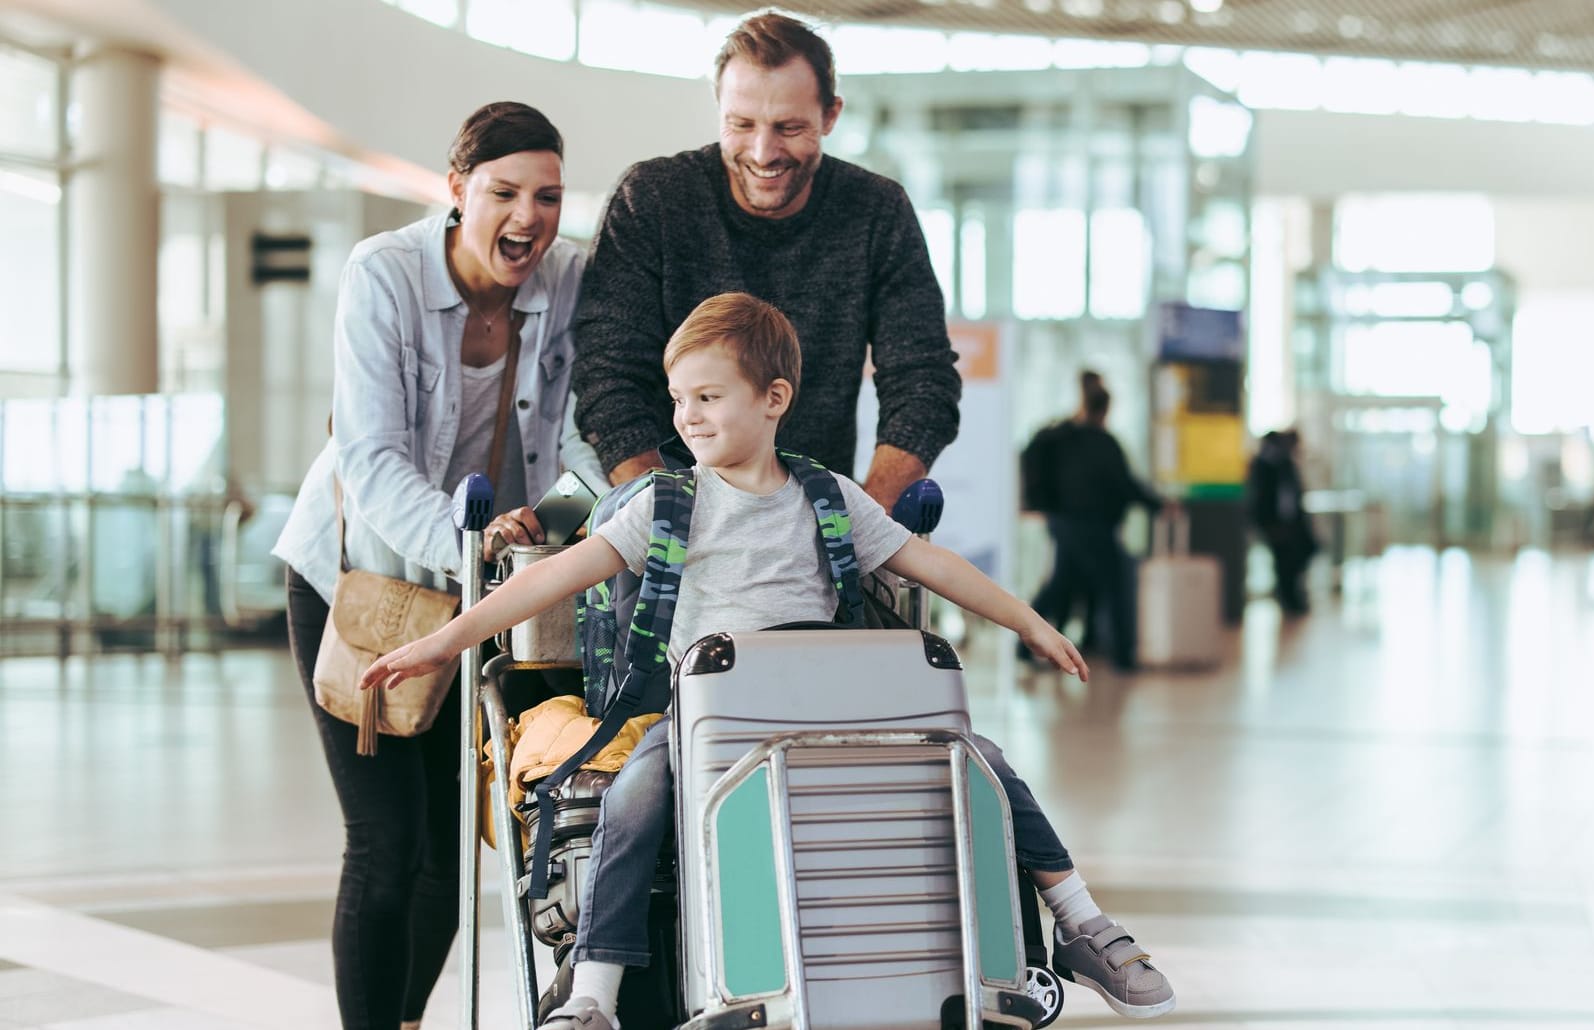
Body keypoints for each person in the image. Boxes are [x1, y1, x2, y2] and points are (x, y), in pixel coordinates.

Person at [363, 294, 1178, 1025]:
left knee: (985, 763)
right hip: (702, 721)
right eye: (679, 399)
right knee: (635, 794)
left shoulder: (828, 498)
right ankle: (594, 994)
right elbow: (550, 578)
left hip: (831, 715)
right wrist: (441, 640)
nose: (687, 417)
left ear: (774, 400)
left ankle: (1080, 922)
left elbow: (936, 568)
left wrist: (1028, 622)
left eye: (708, 397)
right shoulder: (665, 504)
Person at [271, 102, 606, 1030]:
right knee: (385, 846)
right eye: (504, 193)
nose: (529, 217)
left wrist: (560, 517)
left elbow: (583, 437)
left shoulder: (571, 278)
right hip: (358, 581)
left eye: (547, 196)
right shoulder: (383, 274)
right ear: (456, 189)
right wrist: (473, 547)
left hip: (479, 594)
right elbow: (369, 457)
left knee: (450, 863)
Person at [570, 11, 961, 512]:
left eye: (789, 127)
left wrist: (864, 521)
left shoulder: (877, 212)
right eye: (742, 124)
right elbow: (607, 377)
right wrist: (673, 517)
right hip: (666, 525)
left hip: (819, 529)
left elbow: (923, 379)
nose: (763, 152)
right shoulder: (652, 199)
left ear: (830, 116)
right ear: (719, 109)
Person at [1020, 371, 1162, 671]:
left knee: (1061, 584)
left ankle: (1024, 644)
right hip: (1094, 526)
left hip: (1064, 523)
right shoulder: (1101, 443)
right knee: (1115, 585)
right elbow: (1126, 485)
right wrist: (1158, 504)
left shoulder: (1059, 437)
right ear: (1105, 409)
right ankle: (1124, 657)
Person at [1247, 430, 1317, 615]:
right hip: (1275, 524)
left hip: (1291, 523)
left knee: (1296, 559)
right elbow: (1260, 498)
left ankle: (1293, 599)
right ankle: (1289, 600)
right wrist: (1267, 524)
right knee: (1283, 563)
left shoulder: (1286, 464)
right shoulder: (1265, 464)